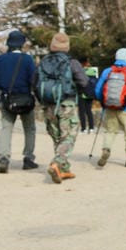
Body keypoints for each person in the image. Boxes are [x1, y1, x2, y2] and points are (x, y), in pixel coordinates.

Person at [38, 31, 92, 184]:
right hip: (66, 103)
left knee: (57, 136)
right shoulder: (72, 62)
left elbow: (34, 83)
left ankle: (64, 169)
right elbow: (84, 82)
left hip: (48, 104)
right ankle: (57, 162)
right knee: (69, 136)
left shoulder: (43, 62)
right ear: (66, 47)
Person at [0, 30, 38, 173]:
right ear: (22, 44)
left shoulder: (0, 60)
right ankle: (28, 158)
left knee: (6, 129)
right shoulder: (27, 60)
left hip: (7, 100)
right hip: (25, 100)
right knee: (29, 129)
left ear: (9, 43)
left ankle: (4, 157)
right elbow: (34, 81)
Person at [79, 59, 99, 132]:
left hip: (82, 93)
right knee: (89, 111)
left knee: (82, 111)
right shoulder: (94, 71)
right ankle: (91, 128)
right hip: (90, 94)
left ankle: (83, 128)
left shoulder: (81, 71)